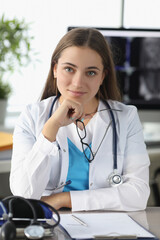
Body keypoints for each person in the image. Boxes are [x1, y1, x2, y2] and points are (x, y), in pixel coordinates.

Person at [10, 28, 150, 212]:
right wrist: (51, 127)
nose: (77, 83)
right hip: (49, 226)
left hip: (107, 229)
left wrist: (62, 199)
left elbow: (138, 195)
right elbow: (24, 195)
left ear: (103, 76)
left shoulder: (126, 117)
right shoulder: (31, 117)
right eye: (69, 69)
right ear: (55, 69)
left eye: (90, 72)